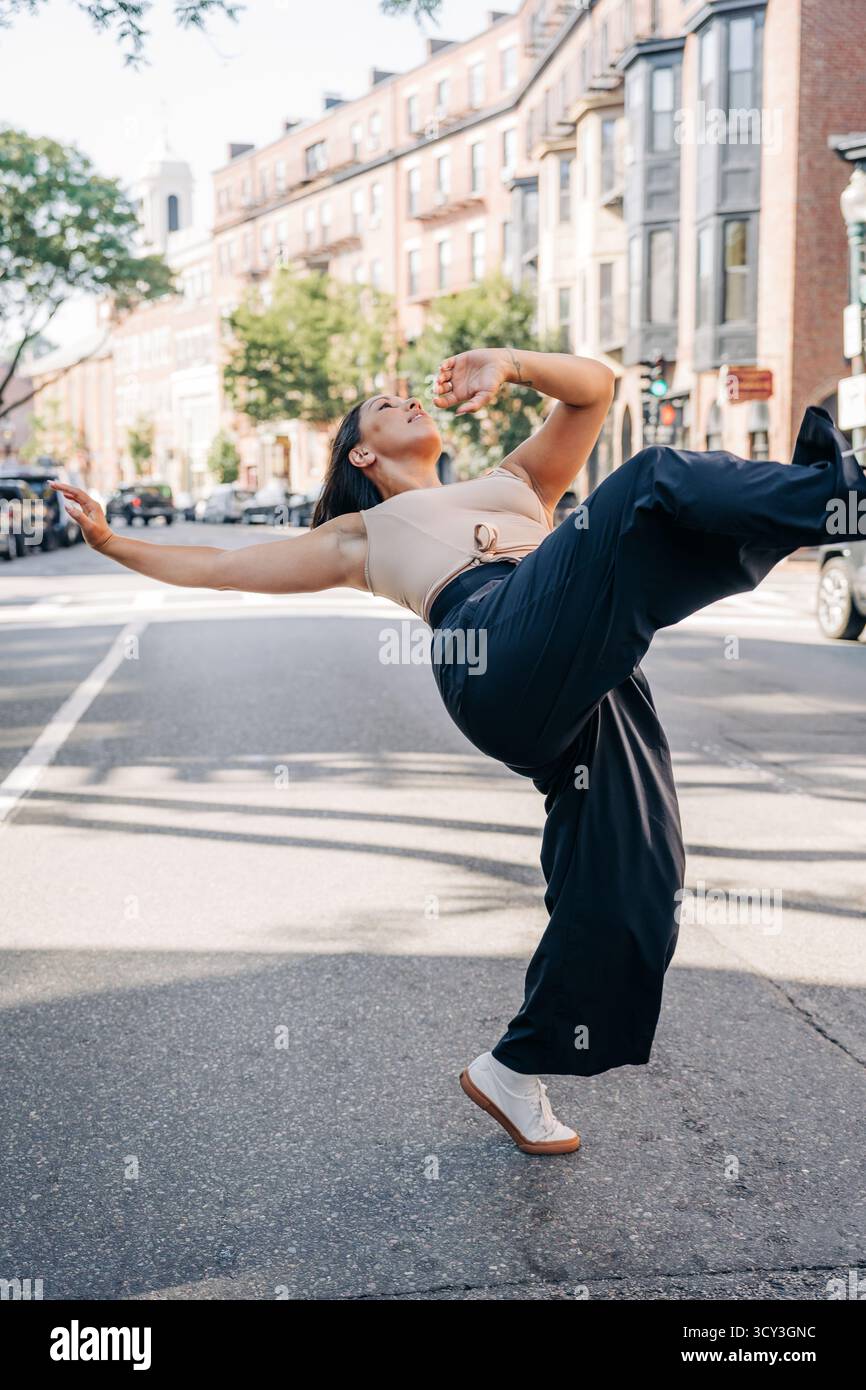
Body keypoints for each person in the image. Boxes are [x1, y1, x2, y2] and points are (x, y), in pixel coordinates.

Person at [51, 347, 866, 1157]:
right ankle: (841, 497)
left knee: (637, 872)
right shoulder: (357, 535)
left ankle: (514, 1068)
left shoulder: (516, 481)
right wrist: (118, 544)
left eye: (409, 397)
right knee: (649, 478)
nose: (407, 401)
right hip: (492, 646)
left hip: (582, 658)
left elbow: (595, 392)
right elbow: (223, 565)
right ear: (361, 453)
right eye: (383, 405)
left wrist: (509, 364)